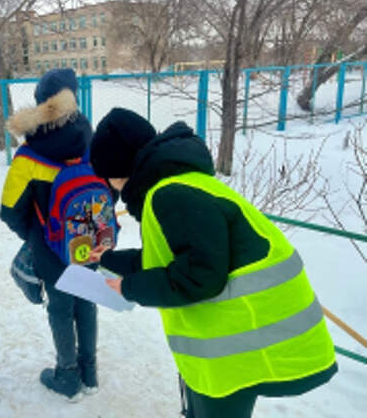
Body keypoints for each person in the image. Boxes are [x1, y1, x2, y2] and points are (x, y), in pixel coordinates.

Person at [88, 108, 338, 418]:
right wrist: (110, 259)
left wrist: (130, 287)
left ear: (119, 168)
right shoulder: (178, 184)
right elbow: (174, 257)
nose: (110, 187)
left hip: (250, 343)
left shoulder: (170, 195)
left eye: (107, 177)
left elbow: (200, 275)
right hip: (245, 337)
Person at [0, 68, 98, 400]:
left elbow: (9, 210)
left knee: (60, 307)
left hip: (51, 245)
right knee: (87, 300)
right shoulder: (92, 139)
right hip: (91, 238)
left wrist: (36, 234)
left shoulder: (29, 155)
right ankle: (90, 370)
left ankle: (67, 376)